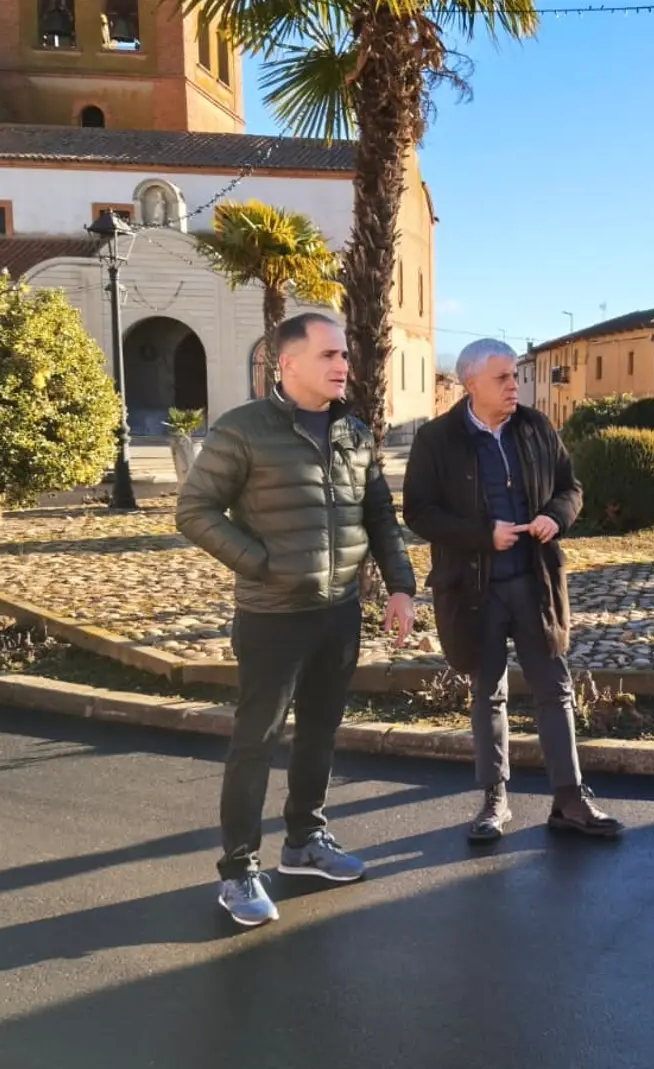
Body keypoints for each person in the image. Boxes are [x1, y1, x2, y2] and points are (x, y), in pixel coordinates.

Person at [176, 312, 417, 928]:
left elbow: (381, 518)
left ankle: (305, 843)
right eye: (331, 355)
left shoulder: (355, 434)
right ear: (287, 364)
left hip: (337, 614)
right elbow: (195, 509)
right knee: (255, 743)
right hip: (272, 618)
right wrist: (262, 565)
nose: (345, 366)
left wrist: (401, 587)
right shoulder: (244, 430)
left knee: (320, 734)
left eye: (345, 356)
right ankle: (238, 871)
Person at [402, 337, 624, 842]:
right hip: (473, 590)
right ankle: (495, 800)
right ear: (471, 383)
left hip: (535, 583)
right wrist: (483, 536)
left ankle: (569, 798)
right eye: (502, 378)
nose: (514, 386)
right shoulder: (437, 439)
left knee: (555, 688)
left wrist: (554, 516)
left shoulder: (536, 427)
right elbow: (419, 511)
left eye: (515, 377)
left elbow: (571, 487)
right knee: (488, 693)